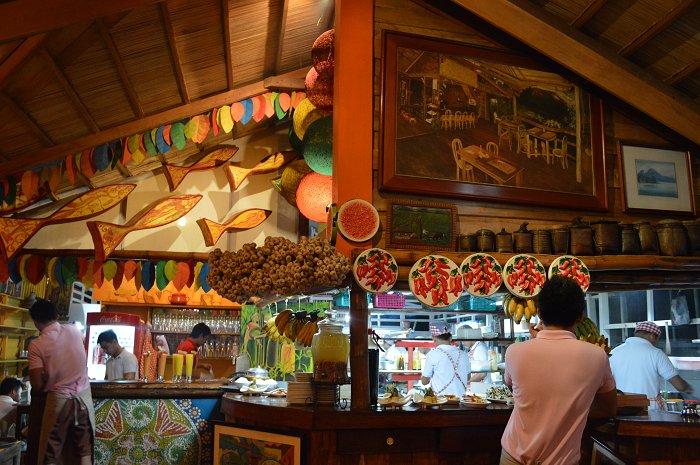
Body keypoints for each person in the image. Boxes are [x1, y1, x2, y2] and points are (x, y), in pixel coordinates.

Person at [501, 276, 617, 465]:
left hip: (513, 456)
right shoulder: (597, 356)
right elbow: (608, 408)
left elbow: (515, 390)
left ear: (539, 313)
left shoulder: (515, 352)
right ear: (580, 317)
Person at [28, 298, 95, 465]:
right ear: (56, 315)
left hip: (59, 400)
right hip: (84, 400)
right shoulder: (74, 330)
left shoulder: (36, 345)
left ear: (36, 322)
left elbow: (36, 385)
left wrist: (47, 374)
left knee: (50, 452)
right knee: (84, 449)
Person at [609, 321, 693, 407]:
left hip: (620, 408)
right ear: (652, 336)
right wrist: (688, 388)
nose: (656, 343)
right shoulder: (656, 353)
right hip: (648, 411)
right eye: (657, 339)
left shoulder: (614, 352)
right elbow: (679, 385)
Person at [420, 325, 470, 396]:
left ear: (433, 338)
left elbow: (424, 382)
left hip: (440, 401)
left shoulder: (433, 354)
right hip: (460, 401)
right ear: (451, 338)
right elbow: (468, 377)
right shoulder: (464, 354)